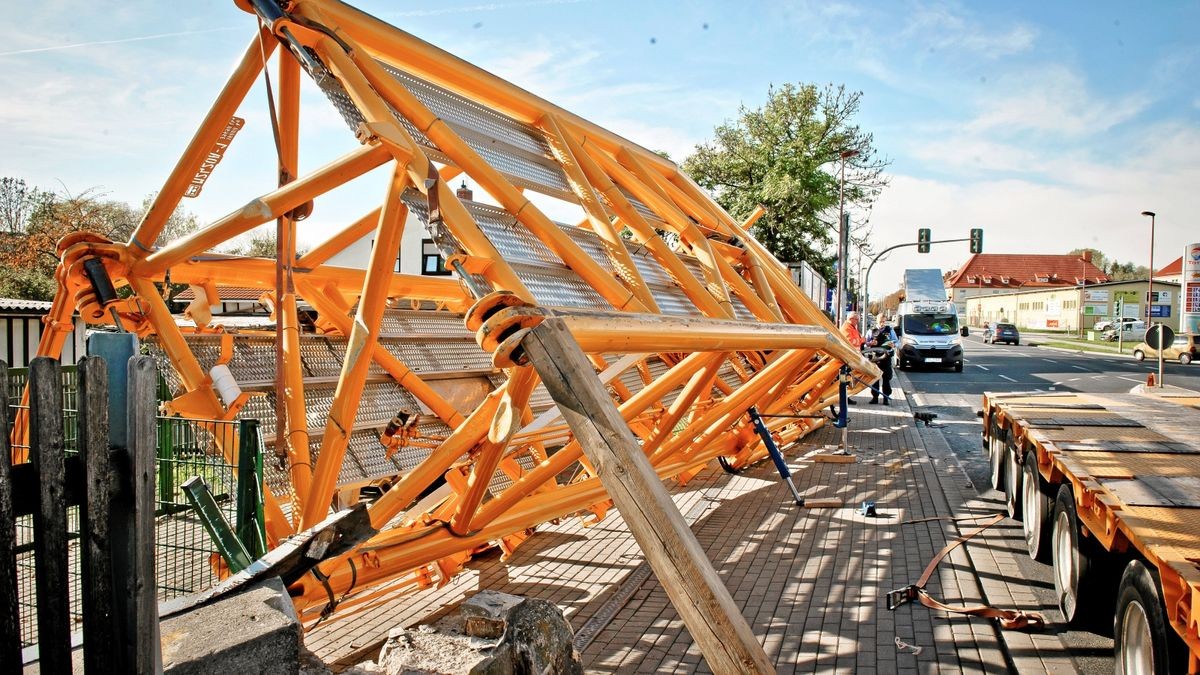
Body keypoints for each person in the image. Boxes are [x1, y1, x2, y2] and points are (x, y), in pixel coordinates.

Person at [867, 329, 894, 405]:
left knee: (886, 380)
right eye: (880, 321)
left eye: (883, 322)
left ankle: (886, 398)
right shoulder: (871, 331)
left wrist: (892, 345)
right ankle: (875, 398)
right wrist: (870, 343)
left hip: (886, 361)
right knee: (875, 380)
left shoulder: (889, 331)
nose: (882, 324)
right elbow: (866, 343)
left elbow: (895, 344)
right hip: (875, 361)